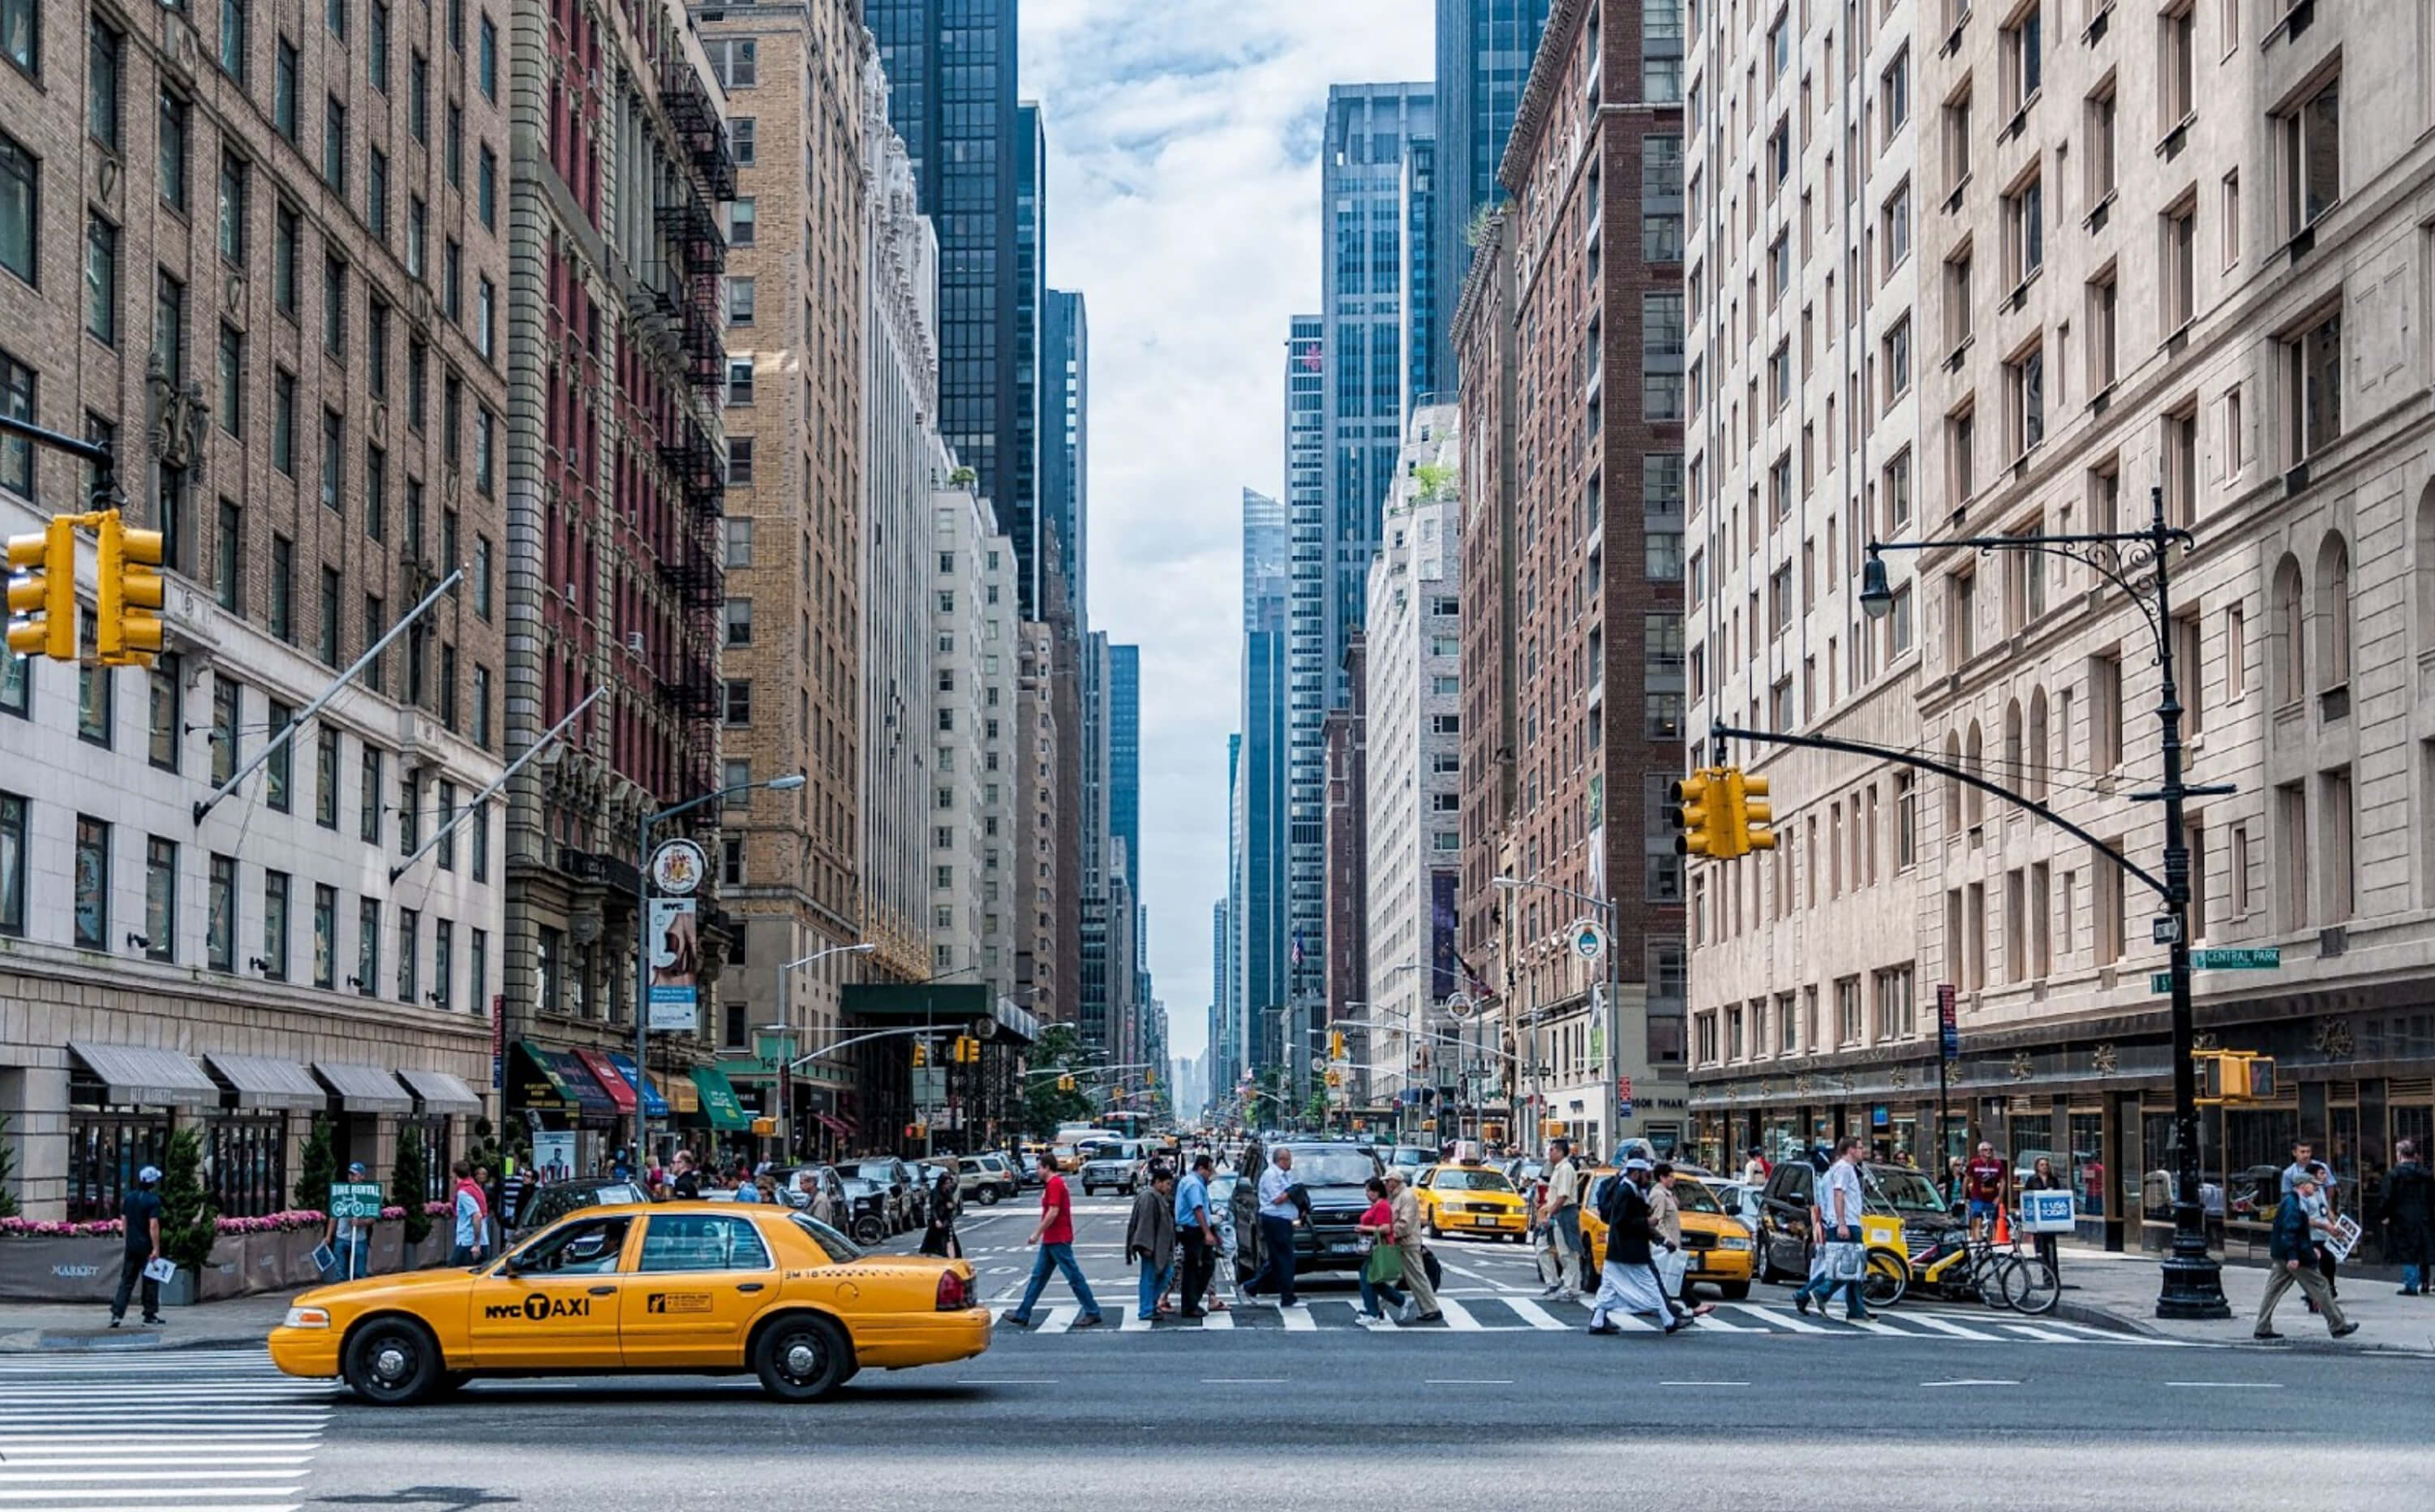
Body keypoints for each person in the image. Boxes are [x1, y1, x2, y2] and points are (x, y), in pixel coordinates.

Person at [1003, 1154, 1104, 1329]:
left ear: (1047, 1167)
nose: (1037, 1171)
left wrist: (1036, 1234)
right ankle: (1023, 1313)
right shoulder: (1053, 1184)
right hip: (1052, 1238)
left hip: (1058, 1238)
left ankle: (1092, 1311)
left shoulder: (1055, 1184)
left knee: (1073, 1277)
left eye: (1039, 1168)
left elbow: (1053, 1212)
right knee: (1038, 1277)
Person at [2254, 1169, 2357, 1339]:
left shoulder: (2295, 1202)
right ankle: (2337, 1325)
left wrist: (2308, 1248)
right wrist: (2294, 1256)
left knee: (2273, 1291)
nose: (2316, 1189)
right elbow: (2290, 1232)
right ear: (2303, 1185)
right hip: (2294, 1257)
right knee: (2321, 1286)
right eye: (2313, 1185)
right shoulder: (2294, 1205)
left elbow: (2298, 1232)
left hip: (2284, 1255)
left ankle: (2262, 1327)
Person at [1586, 1159, 1677, 1334]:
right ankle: (1668, 1320)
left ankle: (1597, 1321)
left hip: (1620, 1250)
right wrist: (1646, 1221)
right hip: (1629, 1251)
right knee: (1650, 1285)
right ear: (1636, 1174)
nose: (1648, 1179)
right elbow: (1621, 1222)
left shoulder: (1632, 1191)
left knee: (1608, 1288)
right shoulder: (1626, 1192)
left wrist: (1663, 1240)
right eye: (1646, 1175)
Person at [1814, 1136, 1872, 1321]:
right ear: (1851, 1150)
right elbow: (1839, 1194)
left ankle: (1856, 1309)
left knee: (1853, 1269)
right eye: (1860, 1148)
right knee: (1850, 1267)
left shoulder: (1843, 1169)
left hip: (1849, 1221)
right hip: (1847, 1223)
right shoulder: (1844, 1169)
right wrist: (1842, 1223)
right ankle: (1821, 1292)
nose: (1863, 1151)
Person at [1647, 1163, 1715, 1321]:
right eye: (1670, 1176)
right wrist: (1665, 1241)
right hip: (1666, 1245)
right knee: (1673, 1275)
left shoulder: (1667, 1194)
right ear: (1662, 1177)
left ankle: (1678, 1305)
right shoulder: (1658, 1195)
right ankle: (1691, 1305)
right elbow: (1657, 1220)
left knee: (1674, 1276)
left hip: (1671, 1243)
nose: (1674, 1179)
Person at [2281, 1141, 2339, 1306]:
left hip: (2323, 1232)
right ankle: (2315, 1294)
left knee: (2328, 1261)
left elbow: (2327, 1204)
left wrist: (2332, 1221)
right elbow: (2296, 1211)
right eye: (2302, 1151)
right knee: (2313, 1264)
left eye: (2308, 1151)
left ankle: (2325, 1291)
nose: (2306, 1155)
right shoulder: (2292, 1180)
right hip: (2310, 1233)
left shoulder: (2319, 1188)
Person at [108, 1165, 165, 1329]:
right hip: (146, 1246)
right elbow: (153, 1225)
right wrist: (156, 1248)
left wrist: (127, 1238)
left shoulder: (130, 1197)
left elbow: (124, 1220)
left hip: (132, 1245)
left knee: (127, 1280)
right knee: (151, 1280)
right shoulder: (153, 1201)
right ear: (153, 1182)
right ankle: (149, 1314)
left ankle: (117, 1314)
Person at [1384, 1168, 1441, 1323]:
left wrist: (1391, 1234)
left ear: (1394, 1182)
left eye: (1387, 1181)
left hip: (1407, 1243)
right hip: (1402, 1243)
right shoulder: (1397, 1196)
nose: (1385, 1184)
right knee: (1396, 1276)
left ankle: (1431, 1309)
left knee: (1414, 1277)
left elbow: (1405, 1223)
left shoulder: (1406, 1196)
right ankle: (1376, 1308)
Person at [1248, 1147, 1302, 1308]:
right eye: (1288, 1159)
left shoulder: (1286, 1175)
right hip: (1275, 1220)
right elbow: (1277, 1199)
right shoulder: (1271, 1175)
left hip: (1285, 1221)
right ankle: (1287, 1294)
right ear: (1281, 1160)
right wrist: (1291, 1192)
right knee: (1285, 1259)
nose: (1291, 1163)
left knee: (1277, 1259)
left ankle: (1253, 1286)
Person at [2380, 1139, 2433, 1296]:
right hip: (2424, 1216)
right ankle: (2425, 1281)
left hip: (2402, 1217)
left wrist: (2384, 1215)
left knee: (2408, 1251)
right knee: (2424, 1248)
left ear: (2400, 1155)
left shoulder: (2394, 1175)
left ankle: (2411, 1285)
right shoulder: (2426, 1175)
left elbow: (2387, 1197)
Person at [1126, 1167, 1179, 1322]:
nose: (1169, 1188)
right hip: (1151, 1246)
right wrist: (1145, 1245)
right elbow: (1145, 1223)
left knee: (1165, 1274)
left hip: (1159, 1246)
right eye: (1167, 1184)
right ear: (1158, 1182)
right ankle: (1146, 1309)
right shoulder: (1149, 1197)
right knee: (1150, 1278)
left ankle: (1150, 1305)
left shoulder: (1156, 1197)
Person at [1354, 1177, 1410, 1322]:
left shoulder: (1382, 1206)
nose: (1367, 1194)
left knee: (1367, 1279)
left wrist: (1363, 1228)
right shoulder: (1378, 1205)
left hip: (1378, 1247)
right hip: (1373, 1246)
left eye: (1369, 1191)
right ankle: (1399, 1301)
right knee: (1374, 1279)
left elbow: (1385, 1228)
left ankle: (1373, 1312)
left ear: (1376, 1192)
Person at [1538, 1137, 1583, 1303]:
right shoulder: (1557, 1168)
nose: (1549, 1153)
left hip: (1564, 1213)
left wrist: (1550, 1214)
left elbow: (1563, 1196)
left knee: (1567, 1252)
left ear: (1559, 1151)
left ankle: (1572, 1288)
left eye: (1551, 1150)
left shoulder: (1566, 1169)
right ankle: (1553, 1282)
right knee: (1542, 1247)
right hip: (1555, 1213)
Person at [1174, 1153, 1218, 1320]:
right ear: (1201, 1168)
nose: (1210, 1174)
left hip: (1195, 1228)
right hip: (1193, 1230)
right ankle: (1190, 1305)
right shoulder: (1193, 1184)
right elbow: (1197, 1209)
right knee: (1195, 1268)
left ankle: (1193, 1302)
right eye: (1209, 1170)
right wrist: (1207, 1232)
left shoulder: (1193, 1182)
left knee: (1205, 1264)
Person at [325, 1162, 375, 1281]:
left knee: (359, 1273)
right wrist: (328, 1236)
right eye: (350, 1174)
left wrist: (361, 1223)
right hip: (341, 1238)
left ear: (362, 1176)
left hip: (359, 1239)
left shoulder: (369, 1195)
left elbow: (373, 1218)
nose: (351, 1177)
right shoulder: (341, 1192)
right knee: (340, 1272)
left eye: (355, 1174)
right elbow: (334, 1216)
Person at [2020, 1156, 2063, 1276]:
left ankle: (2054, 1275)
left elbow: (2059, 1194)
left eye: (2046, 1165)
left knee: (2051, 1246)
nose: (2045, 1167)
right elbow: (2027, 1195)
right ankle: (2046, 1274)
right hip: (2038, 1218)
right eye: (2042, 1165)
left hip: (2050, 1216)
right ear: (2037, 1167)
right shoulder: (2032, 1180)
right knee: (2041, 1245)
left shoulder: (2053, 1180)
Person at [1964, 1140, 2009, 1241]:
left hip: (1992, 1197)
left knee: (1991, 1222)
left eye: (1990, 1150)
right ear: (1980, 1152)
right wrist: (1964, 1196)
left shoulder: (1998, 1165)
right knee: (1978, 1219)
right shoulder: (1974, 1163)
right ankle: (1978, 1242)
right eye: (1985, 1150)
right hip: (1977, 1197)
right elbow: (1967, 1179)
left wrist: (2000, 1197)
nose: (1988, 1152)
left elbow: (2003, 1182)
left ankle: (1989, 1244)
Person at [449, 1161, 490, 1266]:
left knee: (454, 1274)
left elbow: (477, 1215)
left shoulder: (464, 1192)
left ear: (455, 1174)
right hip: (483, 1241)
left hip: (468, 1242)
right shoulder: (475, 1188)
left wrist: (476, 1244)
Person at [920, 1160, 962, 1257]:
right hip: (938, 1219)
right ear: (941, 1183)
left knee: (949, 1239)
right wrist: (937, 1220)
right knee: (932, 1240)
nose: (948, 1185)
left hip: (946, 1218)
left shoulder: (948, 1191)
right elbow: (933, 1207)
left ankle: (951, 1256)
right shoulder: (936, 1192)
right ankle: (931, 1255)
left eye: (949, 1183)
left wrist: (951, 1206)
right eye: (946, 1183)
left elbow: (953, 1203)